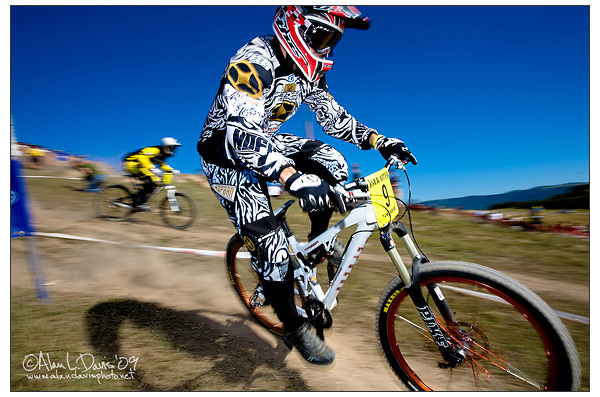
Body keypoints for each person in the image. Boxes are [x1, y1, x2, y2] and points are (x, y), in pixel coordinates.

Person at [197, 6, 416, 365]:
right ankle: (293, 325)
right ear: (295, 27)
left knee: (334, 163)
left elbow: (334, 117)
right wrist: (291, 177)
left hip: (267, 142)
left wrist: (379, 140)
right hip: (226, 153)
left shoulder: (309, 73)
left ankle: (316, 247)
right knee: (271, 248)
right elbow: (240, 135)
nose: (327, 48)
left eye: (334, 41)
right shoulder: (253, 61)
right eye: (322, 37)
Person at [123, 137, 181, 211]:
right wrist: (151, 168)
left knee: (154, 182)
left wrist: (172, 170)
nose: (173, 150)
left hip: (140, 166)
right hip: (131, 163)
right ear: (167, 147)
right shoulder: (155, 150)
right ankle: (138, 203)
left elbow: (162, 165)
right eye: (172, 148)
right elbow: (142, 157)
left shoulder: (162, 155)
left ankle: (139, 201)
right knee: (150, 180)